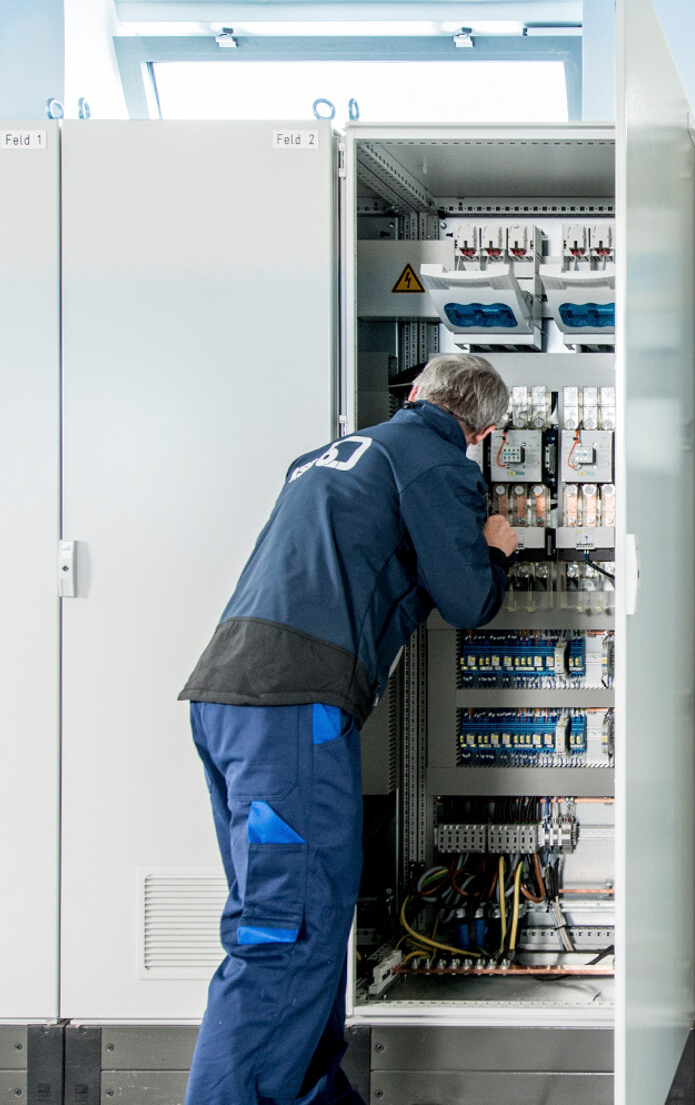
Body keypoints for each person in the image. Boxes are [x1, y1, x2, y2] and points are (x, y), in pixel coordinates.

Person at [177, 352, 519, 1105]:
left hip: (229, 696)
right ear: (484, 431)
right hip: (290, 711)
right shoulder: (434, 460)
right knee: (286, 930)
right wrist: (493, 550)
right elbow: (466, 600)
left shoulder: (324, 458)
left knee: (301, 919)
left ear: (416, 394)